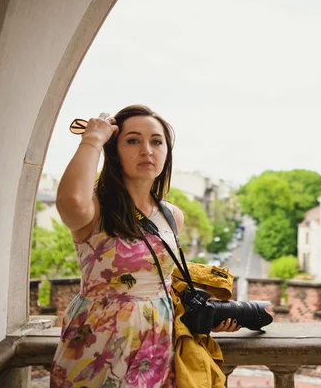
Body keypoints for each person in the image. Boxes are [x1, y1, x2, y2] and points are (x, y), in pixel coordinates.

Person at [51, 105, 240, 388]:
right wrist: (92, 139)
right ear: (113, 151)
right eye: (132, 140)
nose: (146, 150)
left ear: (166, 152)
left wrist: (203, 317)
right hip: (97, 345)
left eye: (156, 141)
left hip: (158, 347)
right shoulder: (94, 210)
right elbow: (71, 202)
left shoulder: (171, 216)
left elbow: (164, 284)